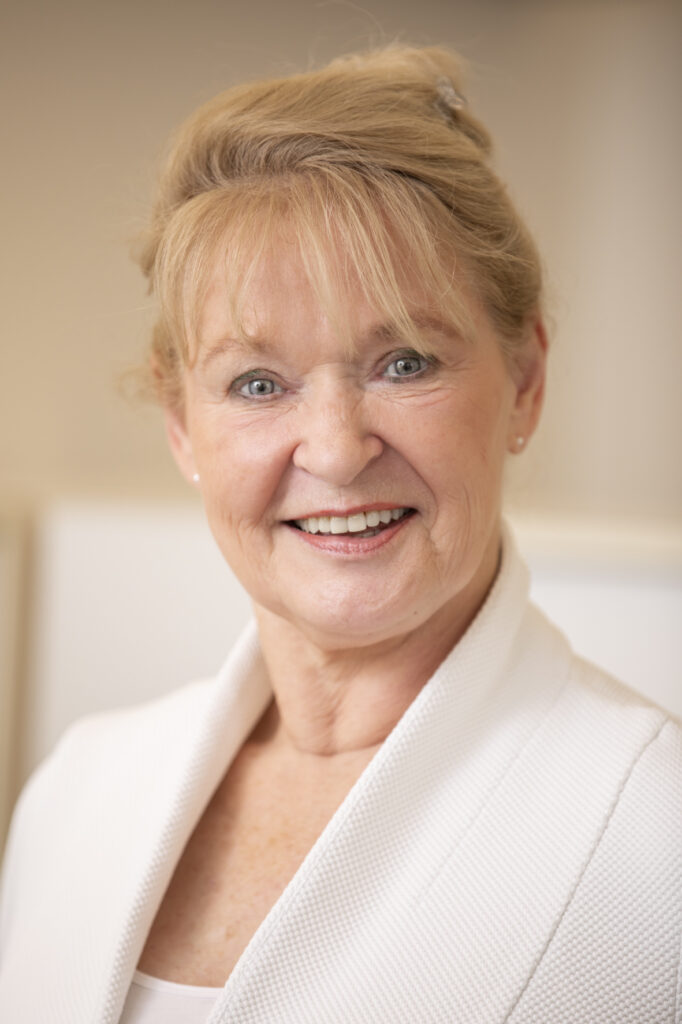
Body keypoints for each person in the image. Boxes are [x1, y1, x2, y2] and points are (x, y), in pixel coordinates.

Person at [1, 44, 680, 1024]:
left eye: (404, 362)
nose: (334, 448)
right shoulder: (73, 794)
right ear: (182, 422)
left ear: (526, 380)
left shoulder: (656, 837)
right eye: (257, 383)